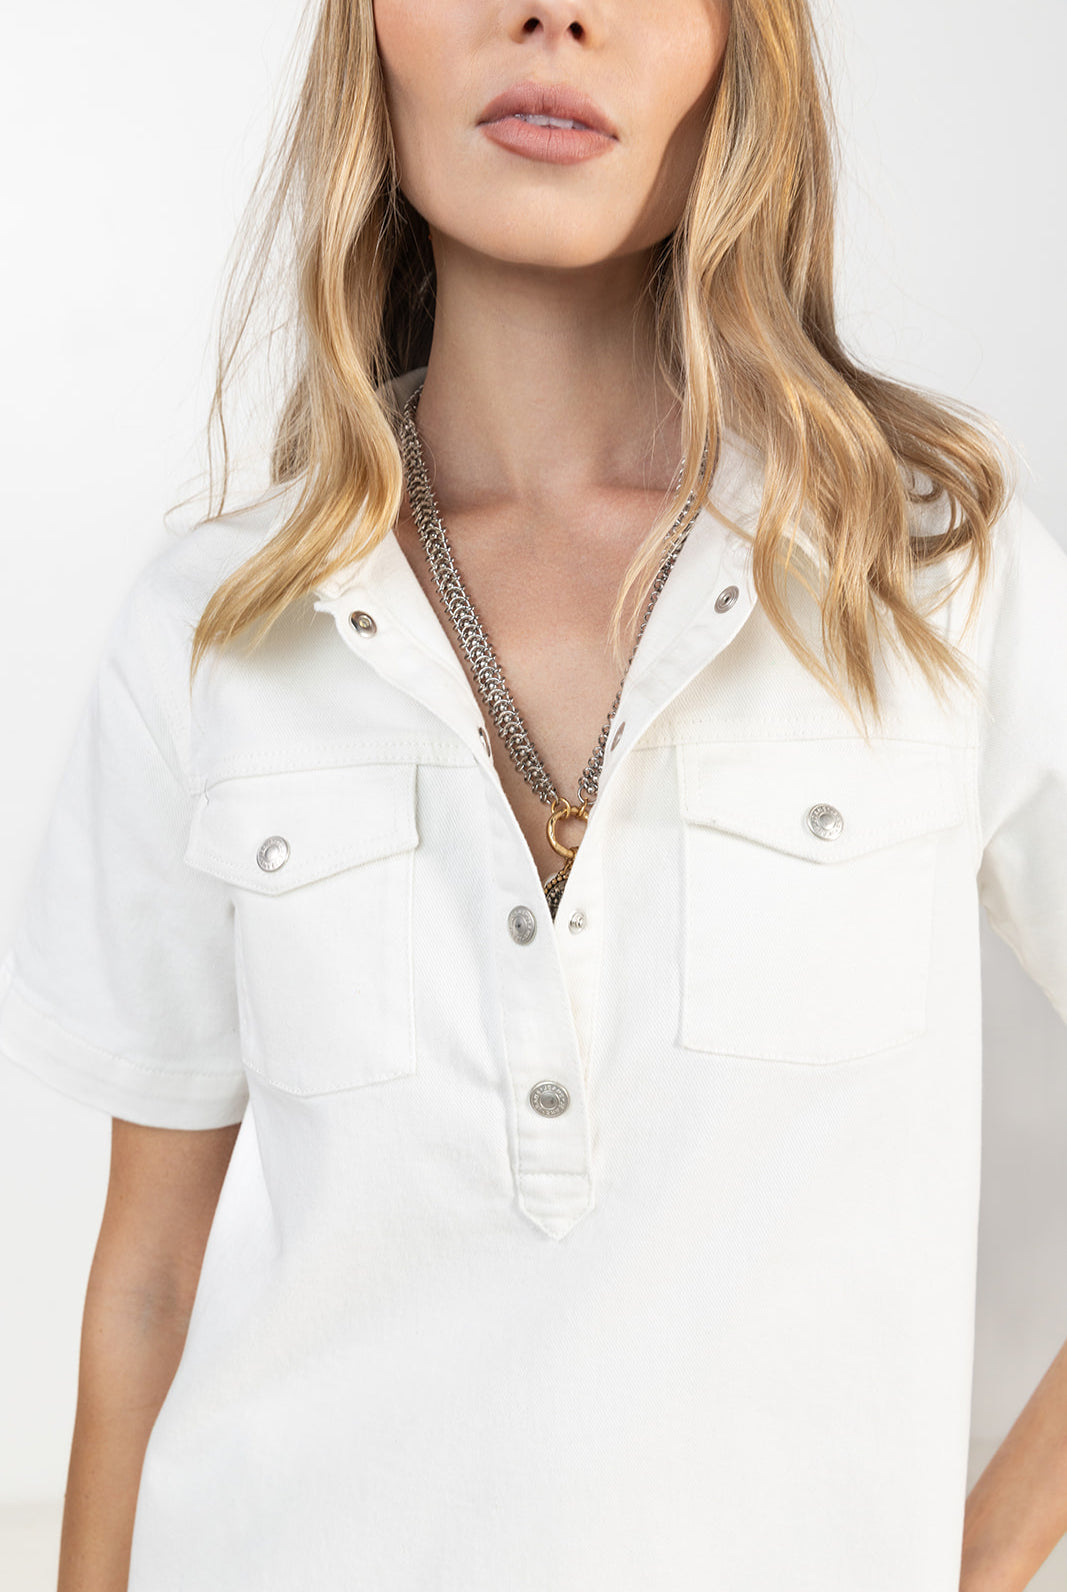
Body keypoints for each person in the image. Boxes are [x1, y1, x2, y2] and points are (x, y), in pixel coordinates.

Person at [1, 0, 1066, 1588]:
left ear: (740, 51)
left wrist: (977, 1561)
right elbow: (148, 1281)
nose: (553, 16)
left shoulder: (927, 579)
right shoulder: (215, 625)